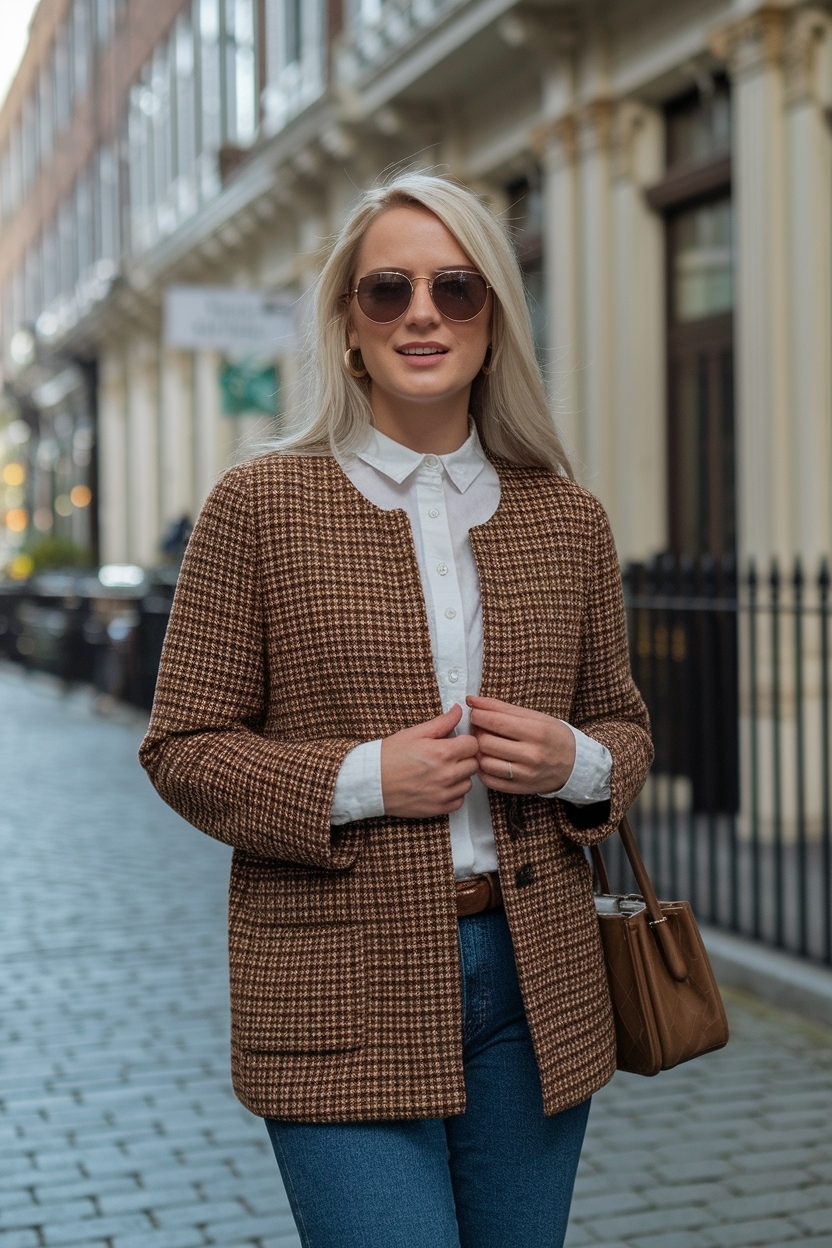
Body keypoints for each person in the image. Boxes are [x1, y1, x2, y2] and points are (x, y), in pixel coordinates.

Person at [139, 172, 653, 1248]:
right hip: (337, 981)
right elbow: (182, 747)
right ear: (348, 324)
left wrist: (574, 761)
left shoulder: (568, 519)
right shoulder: (259, 506)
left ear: (495, 318)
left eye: (456, 287)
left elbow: (623, 725)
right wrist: (363, 779)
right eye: (388, 290)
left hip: (538, 983)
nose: (423, 313)